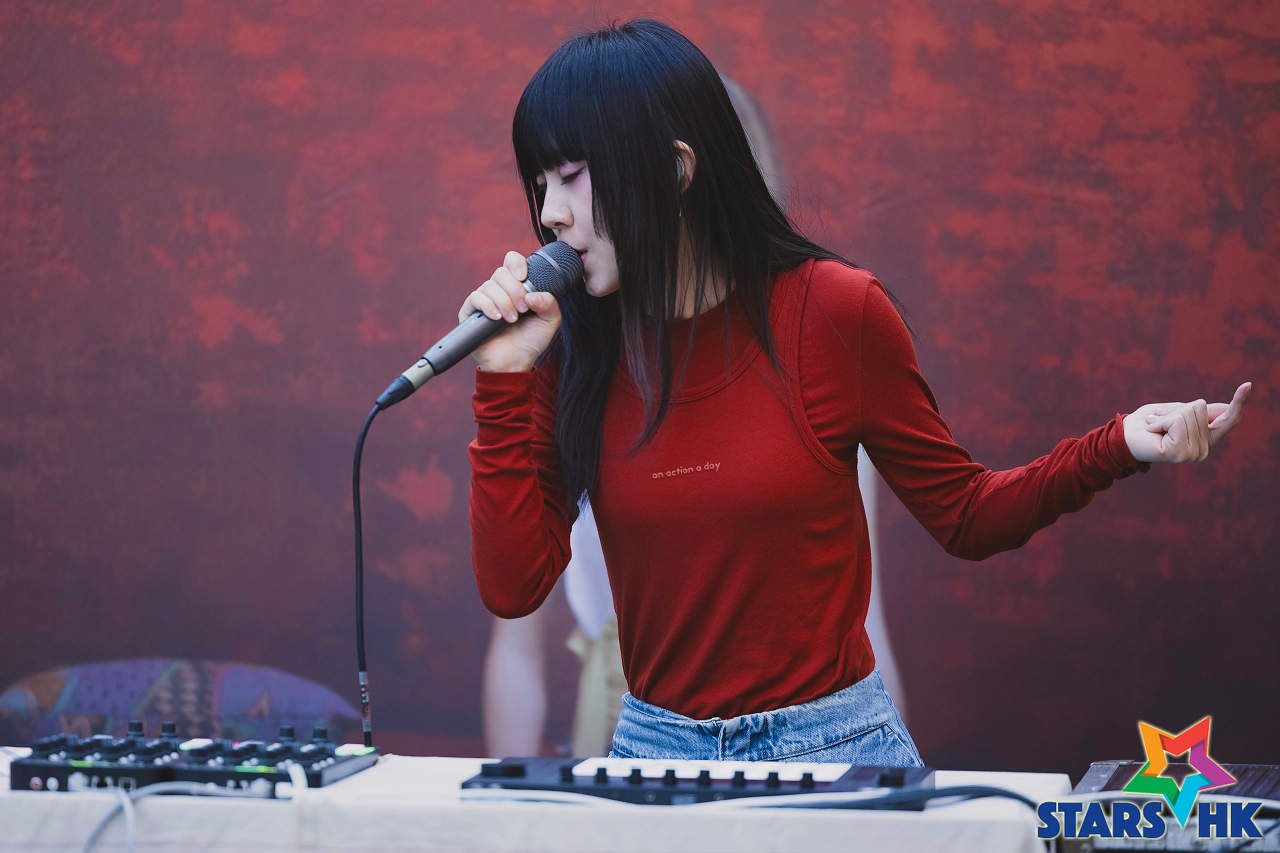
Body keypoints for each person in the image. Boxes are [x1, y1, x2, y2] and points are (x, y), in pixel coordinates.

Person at [463, 19, 1250, 765]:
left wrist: (1116, 444)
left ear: (675, 172)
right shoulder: (578, 348)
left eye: (572, 176)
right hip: (652, 752)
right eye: (540, 182)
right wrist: (501, 380)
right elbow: (513, 586)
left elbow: (967, 514)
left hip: (831, 746)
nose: (549, 213)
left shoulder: (833, 311)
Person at [480, 72, 910, 759]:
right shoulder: (578, 364)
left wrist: (885, 781)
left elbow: (868, 627)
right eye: (547, 184)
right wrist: (505, 799)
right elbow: (514, 634)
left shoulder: (817, 355)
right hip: (634, 724)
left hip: (802, 739)